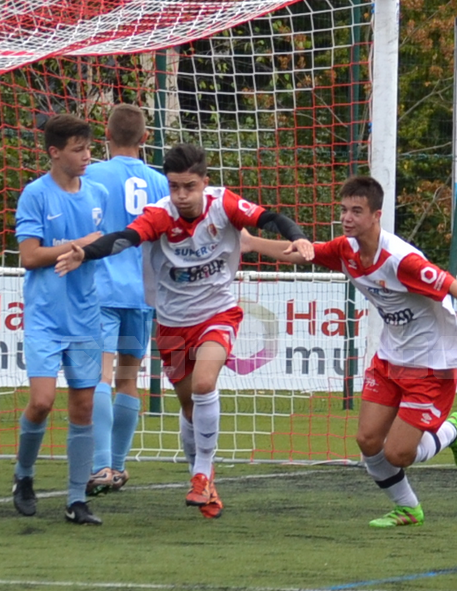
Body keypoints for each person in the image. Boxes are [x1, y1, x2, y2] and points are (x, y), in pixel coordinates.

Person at [242, 176, 457, 527]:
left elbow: (453, 286)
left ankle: (454, 429)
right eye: (344, 210)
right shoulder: (347, 250)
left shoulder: (400, 261)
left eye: (356, 211)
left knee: (398, 453)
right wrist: (250, 241)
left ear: (376, 215)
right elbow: (302, 253)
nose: (347, 218)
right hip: (390, 358)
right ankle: (407, 507)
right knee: (367, 440)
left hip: (431, 363)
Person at [56, 143, 312, 519]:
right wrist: (85, 252)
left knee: (205, 384)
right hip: (173, 323)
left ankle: (201, 473)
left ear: (204, 183)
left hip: (217, 314)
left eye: (189, 187)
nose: (181, 195)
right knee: (190, 407)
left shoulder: (223, 205)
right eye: (174, 186)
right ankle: (205, 484)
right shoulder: (160, 215)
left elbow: (269, 217)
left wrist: (299, 235)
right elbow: (123, 238)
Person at [11, 114, 108, 525]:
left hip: (86, 315)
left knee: (83, 406)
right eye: (78, 149)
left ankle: (75, 499)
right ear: (54, 152)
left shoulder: (98, 193)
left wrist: (94, 248)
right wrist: (79, 244)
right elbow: (30, 256)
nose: (87, 156)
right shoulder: (35, 195)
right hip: (46, 317)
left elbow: (108, 245)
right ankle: (24, 476)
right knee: (42, 401)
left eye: (89, 148)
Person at [81, 104, 169, 495]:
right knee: (128, 378)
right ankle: (117, 466)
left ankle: (99, 464)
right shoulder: (163, 183)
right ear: (145, 138)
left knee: (98, 375)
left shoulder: (92, 174)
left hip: (100, 292)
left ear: (106, 134)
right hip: (143, 294)